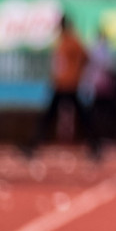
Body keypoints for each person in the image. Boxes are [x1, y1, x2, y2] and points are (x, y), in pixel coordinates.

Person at [26, 14, 100, 160]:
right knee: (54, 116)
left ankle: (95, 145)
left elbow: (86, 57)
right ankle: (95, 145)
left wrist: (76, 73)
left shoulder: (72, 40)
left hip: (68, 85)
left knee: (54, 117)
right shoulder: (64, 40)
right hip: (62, 84)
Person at [86, 28, 116, 143]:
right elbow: (110, 66)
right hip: (102, 87)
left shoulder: (98, 49)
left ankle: (98, 136)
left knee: (101, 112)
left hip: (102, 87)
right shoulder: (101, 50)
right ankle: (99, 136)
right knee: (103, 113)